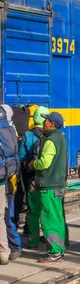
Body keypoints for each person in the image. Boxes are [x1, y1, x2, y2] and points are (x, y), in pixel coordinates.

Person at [27, 111, 68, 263]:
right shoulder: (61, 138)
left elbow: (44, 162)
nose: (43, 123)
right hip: (57, 184)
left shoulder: (50, 140)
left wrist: (33, 164)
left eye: (46, 121)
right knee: (57, 218)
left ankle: (55, 251)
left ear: (52, 124)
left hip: (49, 185)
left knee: (49, 220)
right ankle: (59, 250)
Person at [19, 106, 50, 240]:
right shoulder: (51, 134)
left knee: (32, 206)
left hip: (32, 176)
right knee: (46, 206)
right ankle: (47, 233)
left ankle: (31, 232)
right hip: (48, 176)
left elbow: (21, 156)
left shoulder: (28, 134)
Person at [1, 105, 22, 259]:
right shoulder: (11, 129)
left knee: (6, 216)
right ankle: (12, 247)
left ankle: (13, 247)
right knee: (7, 215)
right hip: (11, 176)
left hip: (4, 178)